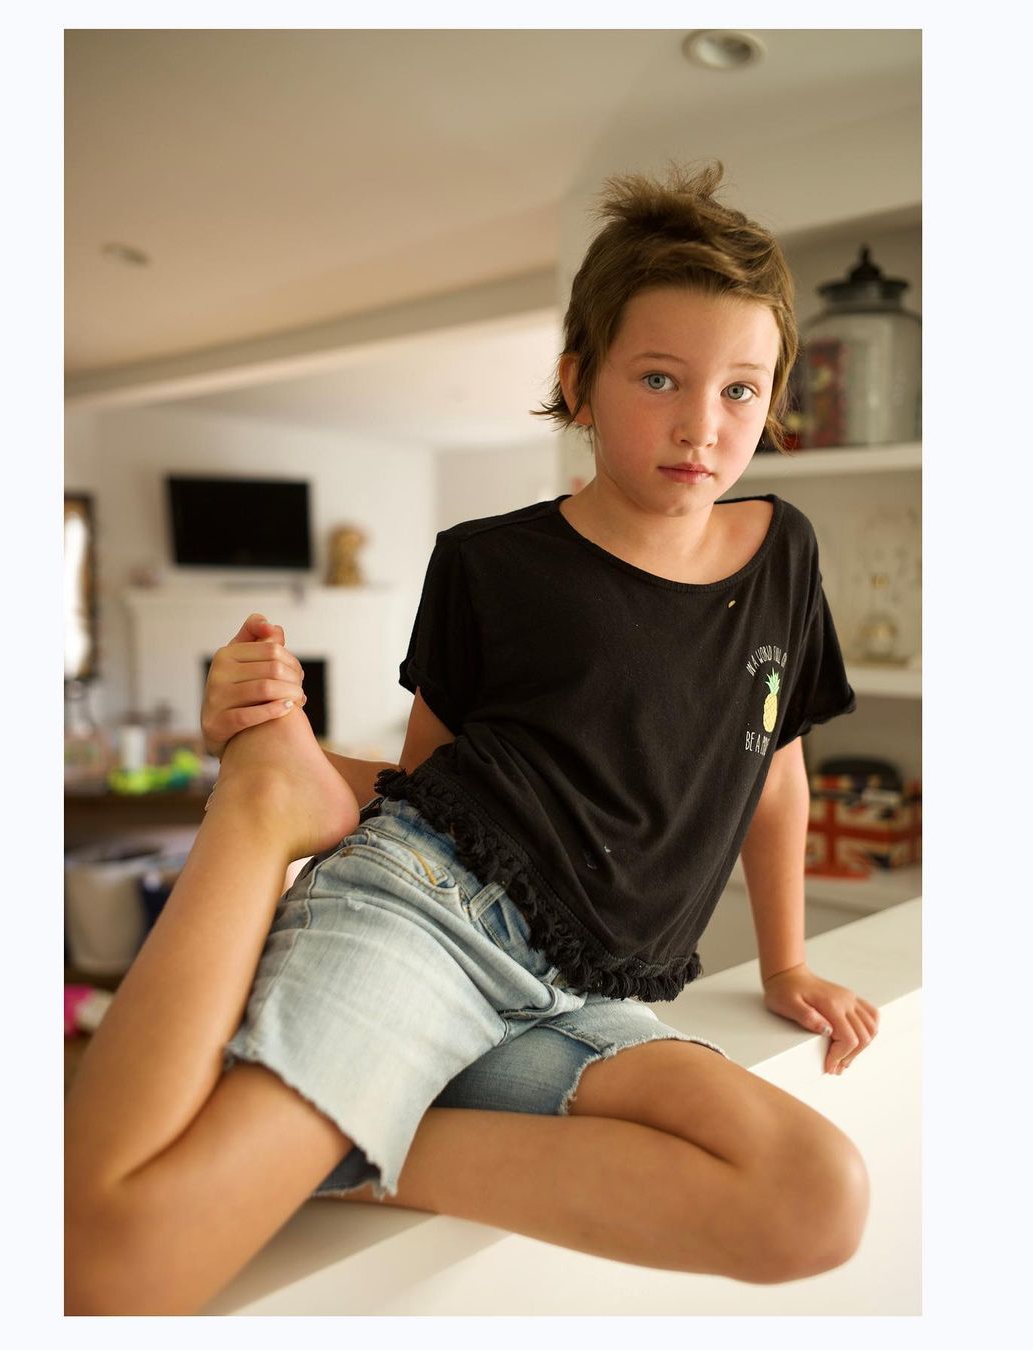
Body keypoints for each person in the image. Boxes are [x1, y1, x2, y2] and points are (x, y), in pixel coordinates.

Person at [65, 161, 879, 1315]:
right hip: (430, 921)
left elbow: (775, 773)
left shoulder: (783, 556)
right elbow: (428, 783)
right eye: (660, 377)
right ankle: (261, 805)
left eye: (741, 390)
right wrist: (283, 753)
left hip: (581, 995)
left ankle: (360, 1145)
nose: (703, 425)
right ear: (579, 382)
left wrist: (788, 963)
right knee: (116, 1267)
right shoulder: (490, 563)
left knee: (813, 1199)